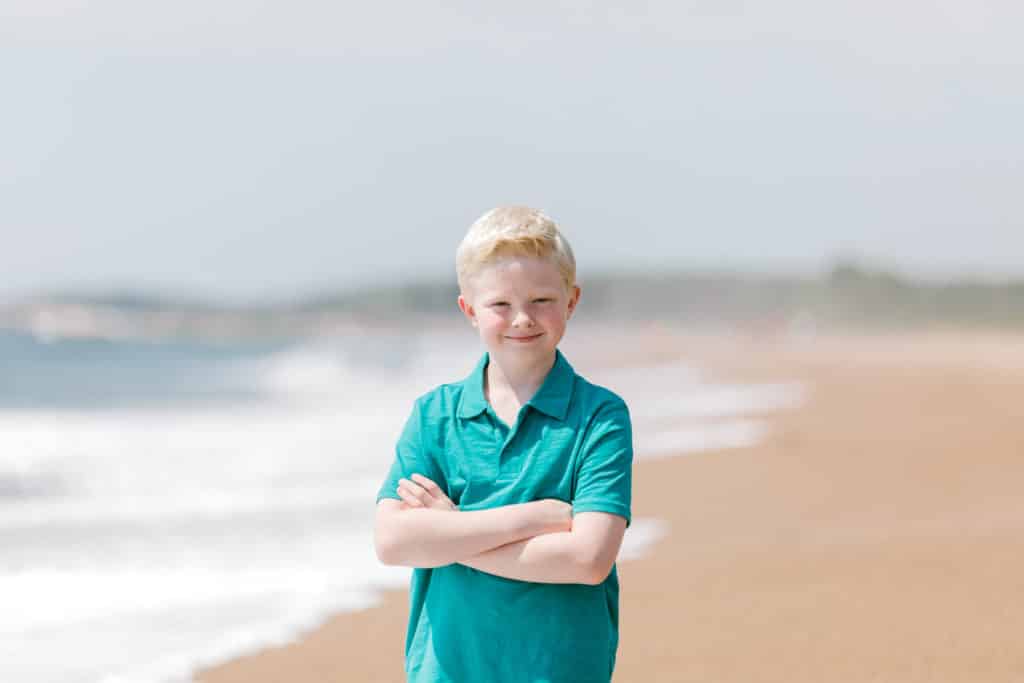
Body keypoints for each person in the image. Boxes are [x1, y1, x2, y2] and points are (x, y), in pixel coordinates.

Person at [375, 206, 634, 683]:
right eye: (500, 305)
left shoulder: (599, 416)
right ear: (469, 310)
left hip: (561, 670)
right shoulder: (435, 417)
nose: (522, 319)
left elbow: (588, 559)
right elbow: (393, 542)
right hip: (448, 670)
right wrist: (533, 519)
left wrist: (451, 535)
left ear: (572, 302)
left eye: (541, 300)